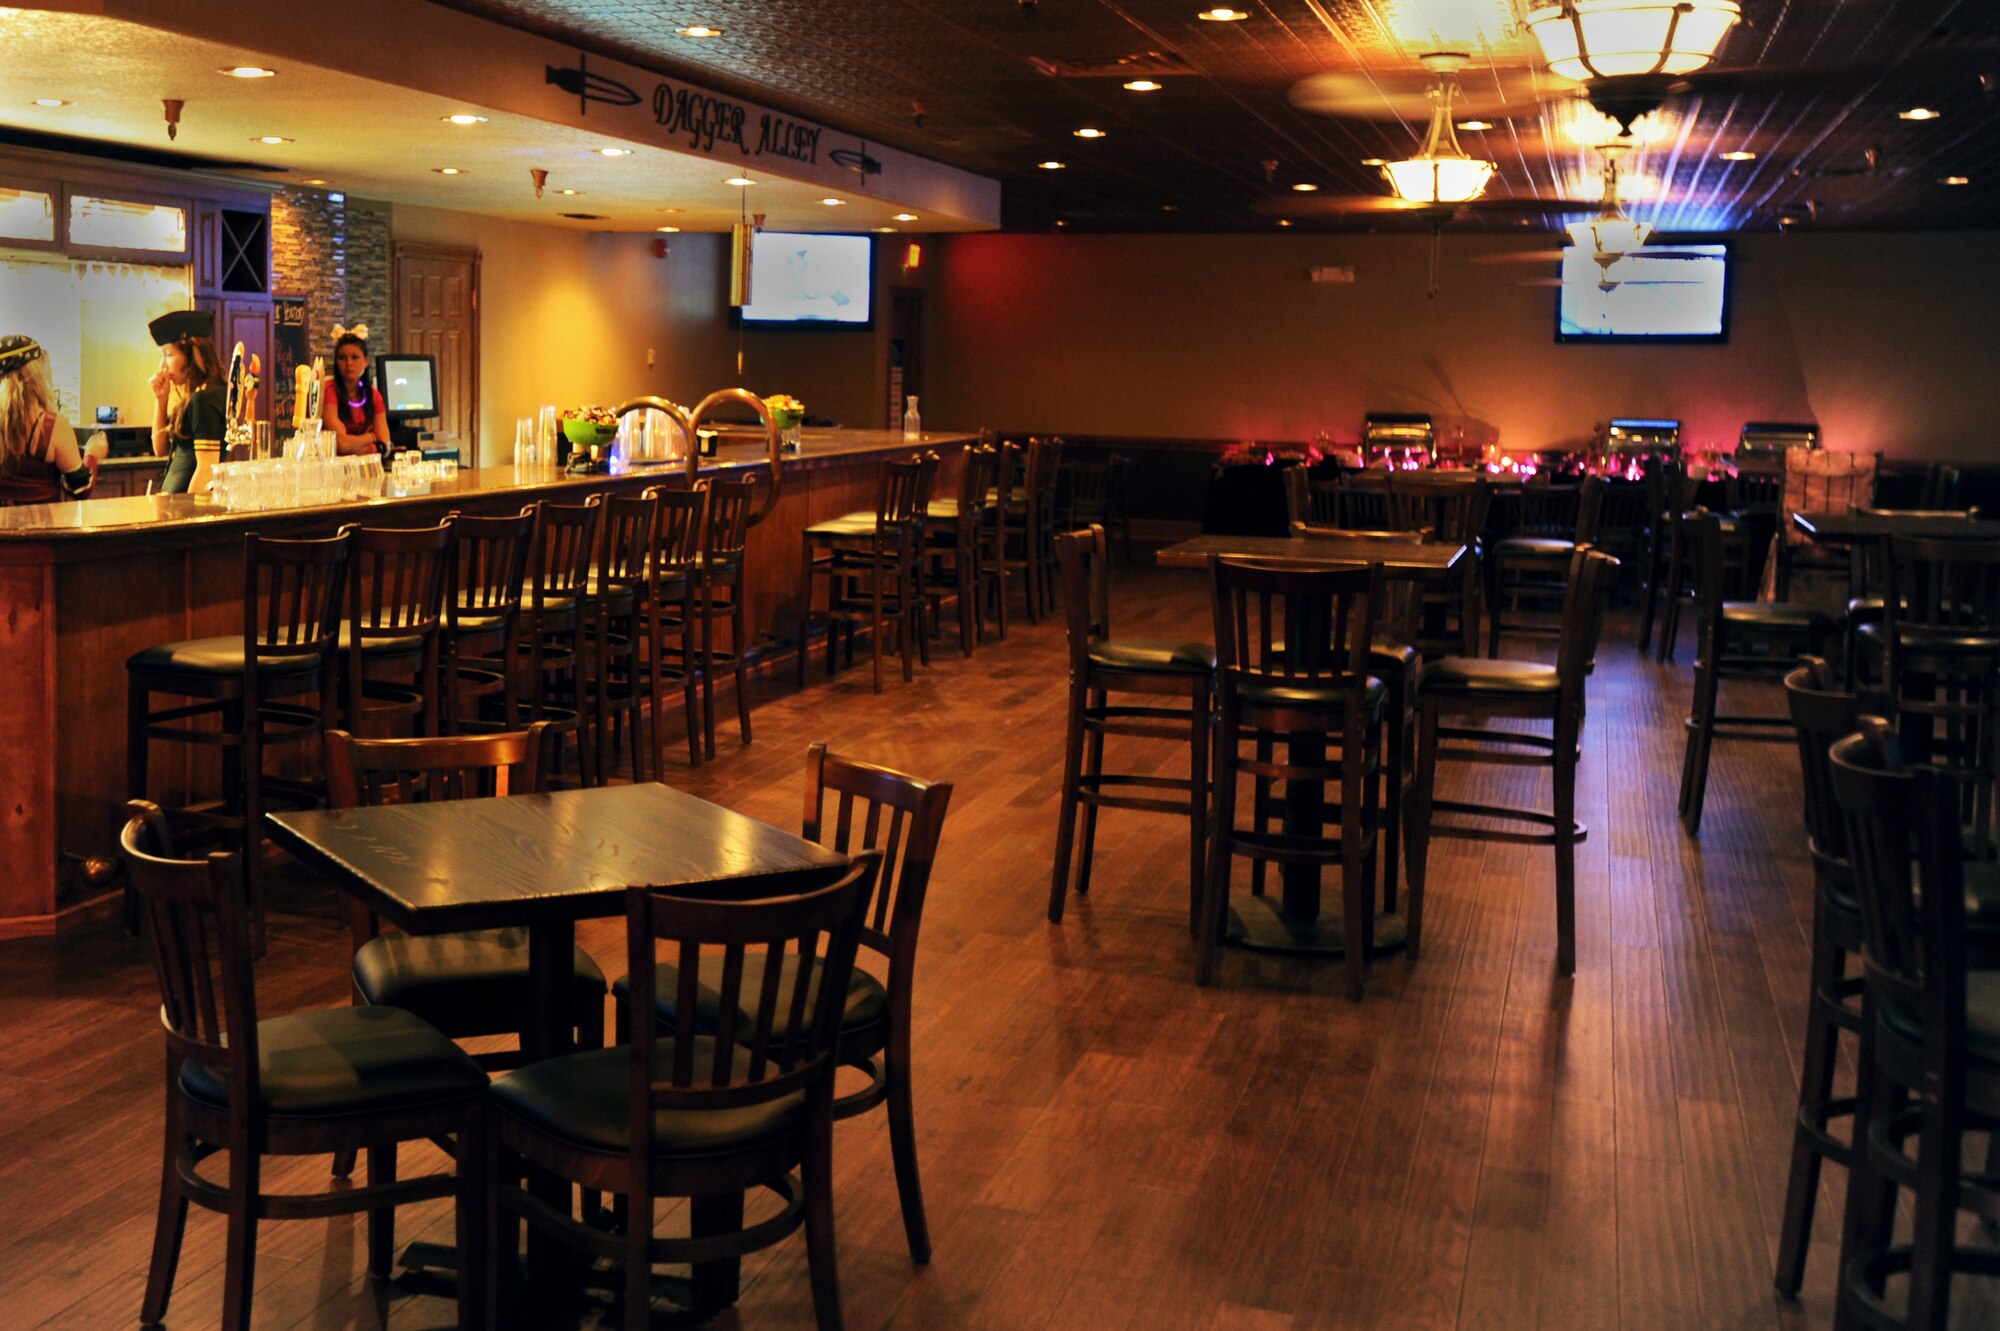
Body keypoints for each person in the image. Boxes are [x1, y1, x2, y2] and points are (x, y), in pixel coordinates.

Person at [0, 335, 92, 506]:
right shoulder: (53, 426)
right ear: (36, 374)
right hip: (43, 529)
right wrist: (93, 455)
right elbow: (80, 490)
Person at [148, 310, 226, 494]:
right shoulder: (199, 395)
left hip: (183, 509)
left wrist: (187, 517)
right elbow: (160, 449)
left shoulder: (204, 398)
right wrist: (161, 400)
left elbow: (206, 469)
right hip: (173, 505)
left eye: (169, 354)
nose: (162, 365)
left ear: (194, 352)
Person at [321, 325, 390, 457]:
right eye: (342, 358)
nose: (348, 363)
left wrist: (354, 448)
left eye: (355, 357)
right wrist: (371, 437)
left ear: (366, 361)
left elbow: (384, 445)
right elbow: (341, 444)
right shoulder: (329, 391)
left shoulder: (374, 395)